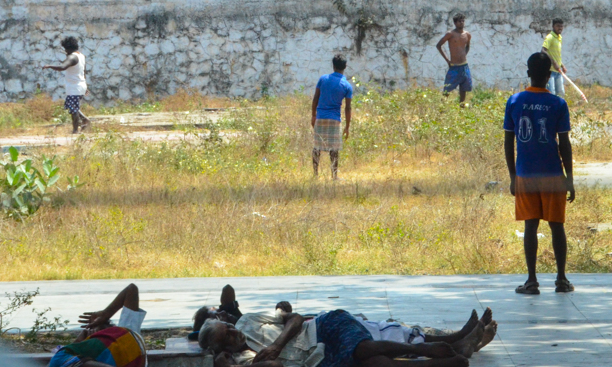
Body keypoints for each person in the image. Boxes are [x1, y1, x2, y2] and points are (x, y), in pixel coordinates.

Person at [199, 306, 493, 367]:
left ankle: (430, 351)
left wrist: (277, 343)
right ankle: (436, 361)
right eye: (228, 337)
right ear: (218, 348)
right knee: (368, 362)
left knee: (362, 346)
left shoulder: (250, 320)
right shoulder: (244, 359)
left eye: (231, 328)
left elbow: (296, 318)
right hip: (317, 357)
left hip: (322, 328)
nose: (236, 333)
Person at [504, 52, 574, 295]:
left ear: (528, 73)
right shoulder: (558, 103)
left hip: (526, 174)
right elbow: (564, 144)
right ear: (548, 76)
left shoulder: (514, 101)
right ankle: (561, 280)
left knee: (530, 226)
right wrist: (570, 178)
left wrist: (513, 177)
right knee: (557, 227)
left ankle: (532, 281)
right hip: (553, 174)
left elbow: (508, 142)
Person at [50, 283, 147, 367]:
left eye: (92, 328)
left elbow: (131, 289)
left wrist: (106, 314)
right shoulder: (128, 332)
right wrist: (105, 315)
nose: (88, 331)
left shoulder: (126, 332)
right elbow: (131, 290)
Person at [311, 54, 353, 180]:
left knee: (317, 147)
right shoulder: (347, 86)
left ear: (333, 66)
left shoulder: (323, 79)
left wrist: (313, 115)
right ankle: (334, 176)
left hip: (320, 117)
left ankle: (315, 175)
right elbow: (348, 108)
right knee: (334, 149)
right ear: (345, 67)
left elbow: (315, 98)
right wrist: (347, 127)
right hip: (335, 119)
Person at [43, 35, 90, 133]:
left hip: (75, 87)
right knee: (72, 106)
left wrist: (49, 66)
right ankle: (85, 120)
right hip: (80, 85)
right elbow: (83, 72)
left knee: (73, 110)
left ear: (68, 48)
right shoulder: (81, 56)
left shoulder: (72, 57)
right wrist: (86, 86)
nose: (65, 52)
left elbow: (63, 67)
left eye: (65, 49)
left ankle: (75, 130)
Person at [436, 14, 472, 106]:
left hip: (464, 66)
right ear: (455, 23)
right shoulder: (450, 34)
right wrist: (447, 60)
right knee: (447, 89)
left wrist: (464, 54)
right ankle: (442, 108)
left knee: (464, 89)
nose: (461, 23)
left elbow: (468, 46)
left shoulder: (467, 34)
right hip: (454, 67)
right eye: (459, 21)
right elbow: (438, 45)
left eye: (463, 21)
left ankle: (462, 108)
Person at [540, 19, 567, 97]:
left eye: (561, 26)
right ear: (553, 26)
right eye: (558, 26)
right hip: (550, 71)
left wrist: (562, 66)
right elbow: (543, 51)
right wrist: (553, 62)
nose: (560, 28)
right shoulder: (550, 37)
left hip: (558, 71)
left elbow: (556, 55)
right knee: (551, 93)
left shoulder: (559, 38)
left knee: (561, 93)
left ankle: (559, 109)